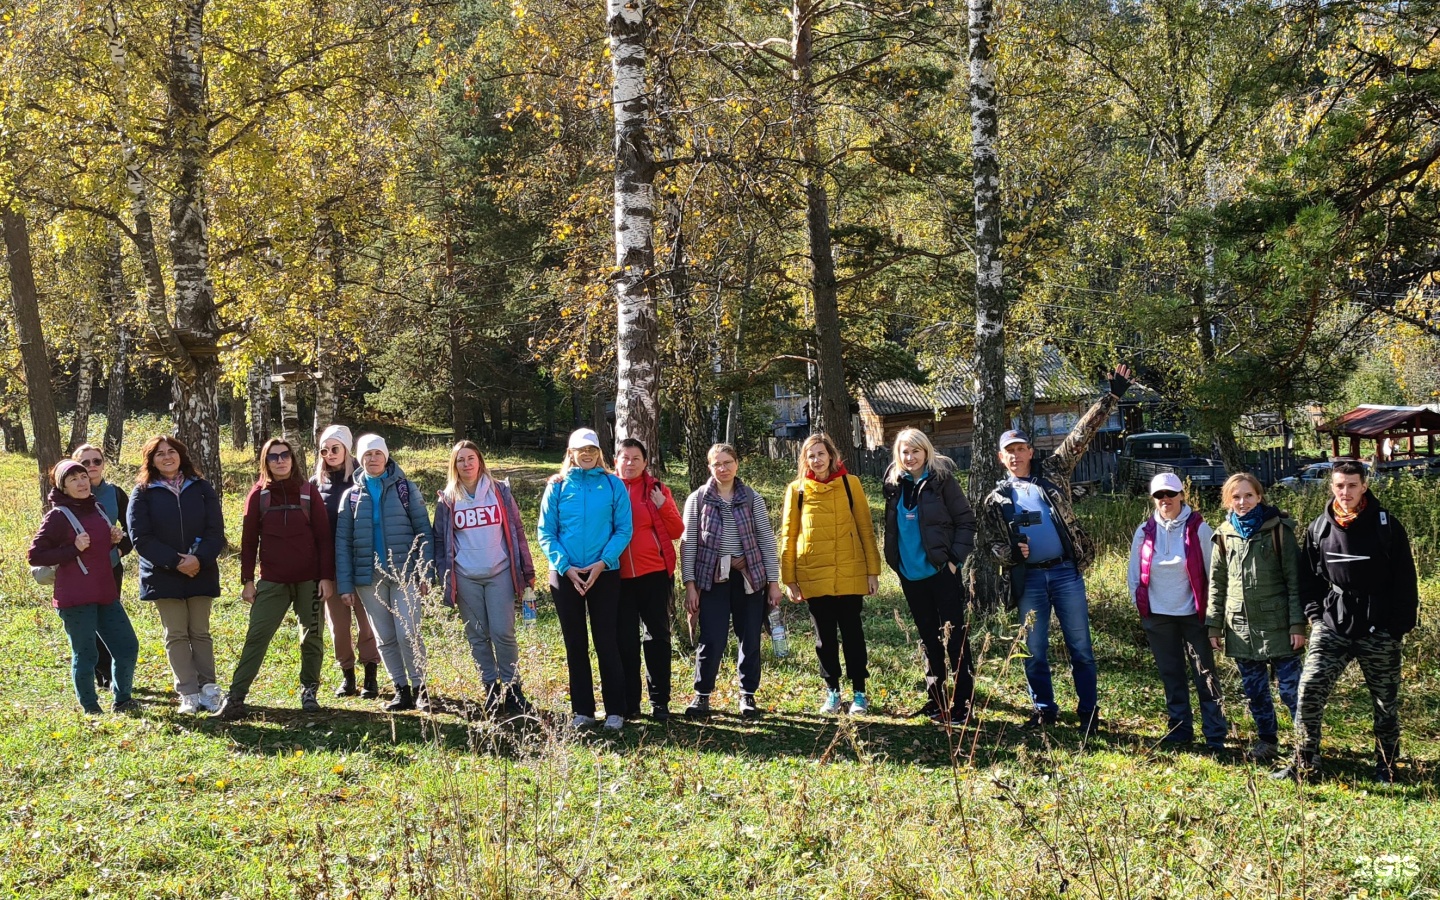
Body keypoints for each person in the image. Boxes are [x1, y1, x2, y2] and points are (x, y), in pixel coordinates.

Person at [982, 365, 1133, 733]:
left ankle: (1089, 714)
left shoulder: (1053, 474)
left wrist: (1111, 397)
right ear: (1002, 458)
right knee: (1033, 650)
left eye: (1020, 449)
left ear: (1031, 451)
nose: (1016, 456)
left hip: (1065, 573)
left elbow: (1081, 434)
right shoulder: (996, 498)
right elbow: (990, 546)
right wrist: (1011, 554)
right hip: (1029, 580)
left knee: (1080, 647)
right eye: (1009, 452)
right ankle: (1044, 710)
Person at [1274, 459, 1419, 783]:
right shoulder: (1319, 528)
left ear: (1364, 486)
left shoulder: (1386, 526)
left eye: (1352, 485)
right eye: (1339, 485)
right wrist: (1315, 616)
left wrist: (1396, 628)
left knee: (1385, 702)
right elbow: (1308, 579)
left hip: (1379, 627)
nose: (1345, 492)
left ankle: (1386, 766)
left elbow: (1405, 582)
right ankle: (1305, 763)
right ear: (1331, 487)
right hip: (1332, 625)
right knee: (1309, 689)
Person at [216, 438, 335, 720]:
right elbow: (248, 542)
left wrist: (326, 577)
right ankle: (236, 697)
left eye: (285, 455)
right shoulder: (258, 495)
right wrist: (247, 580)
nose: (280, 461)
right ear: (265, 462)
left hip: (309, 581)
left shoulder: (308, 493)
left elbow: (324, 539)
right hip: (272, 581)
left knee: (312, 637)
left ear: (293, 459)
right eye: (273, 457)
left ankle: (309, 691)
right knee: (257, 636)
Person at [537, 428, 633, 731]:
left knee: (607, 641)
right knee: (575, 643)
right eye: (581, 450)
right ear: (571, 453)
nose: (587, 454)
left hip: (603, 574)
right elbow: (545, 531)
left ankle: (616, 710)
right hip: (565, 575)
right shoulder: (558, 486)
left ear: (599, 453)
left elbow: (623, 529)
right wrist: (565, 566)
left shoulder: (612, 484)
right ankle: (583, 711)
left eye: (591, 449)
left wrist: (600, 564)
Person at [880, 428, 978, 724]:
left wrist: (953, 561)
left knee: (954, 638)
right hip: (910, 575)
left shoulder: (941, 480)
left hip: (941, 572)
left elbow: (966, 521)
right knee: (927, 638)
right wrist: (895, 563)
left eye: (915, 451)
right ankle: (936, 700)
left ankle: (962, 703)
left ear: (926, 452)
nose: (910, 457)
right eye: (904, 452)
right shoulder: (894, 484)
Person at [433, 440, 536, 716]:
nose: (466, 464)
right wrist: (445, 579)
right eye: (460, 460)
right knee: (477, 636)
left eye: (471, 458)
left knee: (503, 633)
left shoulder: (499, 491)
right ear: (453, 465)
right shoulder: (447, 498)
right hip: (466, 577)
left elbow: (517, 530)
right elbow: (441, 543)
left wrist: (527, 571)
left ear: (480, 460)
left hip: (499, 572)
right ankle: (490, 689)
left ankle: (514, 690)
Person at [780, 432, 881, 715]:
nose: (817, 460)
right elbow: (789, 535)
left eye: (821, 454)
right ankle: (833, 692)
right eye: (811, 455)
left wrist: (872, 571)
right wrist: (789, 578)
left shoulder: (851, 484)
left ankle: (859, 693)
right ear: (805, 460)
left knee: (852, 635)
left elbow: (865, 529)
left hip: (850, 572)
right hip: (813, 573)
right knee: (823, 638)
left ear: (831, 455)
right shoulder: (797, 490)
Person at [680, 443, 783, 720]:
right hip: (711, 579)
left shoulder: (752, 498)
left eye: (728, 462)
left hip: (749, 578)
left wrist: (773, 582)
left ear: (737, 464)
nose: (723, 468)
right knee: (712, 638)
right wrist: (690, 584)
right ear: (709, 467)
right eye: (717, 464)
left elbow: (766, 541)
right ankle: (702, 696)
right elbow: (688, 544)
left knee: (749, 636)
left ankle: (747, 695)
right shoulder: (698, 499)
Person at [1207, 472, 1305, 764]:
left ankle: (1305, 746)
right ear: (1228, 500)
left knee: (1292, 691)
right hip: (1240, 627)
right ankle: (1267, 741)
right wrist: (1214, 624)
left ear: (1259, 497)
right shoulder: (1223, 535)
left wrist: (1297, 624)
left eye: (1248, 495)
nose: (1242, 502)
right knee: (1255, 692)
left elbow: (1294, 581)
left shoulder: (1278, 530)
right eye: (1236, 496)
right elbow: (1217, 583)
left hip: (1279, 626)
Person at [28, 459, 139, 714]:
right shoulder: (57, 516)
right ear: (63, 486)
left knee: (127, 646)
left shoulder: (98, 508)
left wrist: (113, 540)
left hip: (105, 592)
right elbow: (35, 555)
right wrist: (72, 548)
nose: (81, 482)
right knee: (86, 654)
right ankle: (90, 707)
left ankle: (122, 700)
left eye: (83, 477)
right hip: (75, 599)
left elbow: (99, 548)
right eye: (73, 479)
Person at [1126, 473, 1228, 750]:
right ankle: (1180, 728)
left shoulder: (1199, 529)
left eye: (1170, 494)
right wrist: (1142, 608)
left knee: (1204, 673)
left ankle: (1215, 732)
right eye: (1159, 495)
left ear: (1182, 495)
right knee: (1171, 674)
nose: (1165, 500)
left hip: (1194, 615)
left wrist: (1214, 616)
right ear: (1153, 499)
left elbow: (1213, 573)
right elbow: (1134, 574)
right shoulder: (1144, 531)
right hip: (1158, 615)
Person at [334, 434, 435, 712]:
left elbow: (424, 531)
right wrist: (345, 585)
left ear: (387, 456)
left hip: (405, 574)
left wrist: (425, 572)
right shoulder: (351, 496)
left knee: (408, 633)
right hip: (369, 579)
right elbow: (342, 543)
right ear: (360, 459)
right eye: (367, 455)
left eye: (378, 453)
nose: (373, 459)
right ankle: (401, 690)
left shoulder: (406, 489)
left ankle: (421, 688)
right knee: (385, 638)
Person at [128, 435, 227, 714]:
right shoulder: (143, 492)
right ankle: (188, 693)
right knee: (176, 634)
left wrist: (198, 559)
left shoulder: (202, 487)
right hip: (163, 573)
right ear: (151, 460)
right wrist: (175, 561)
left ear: (181, 455)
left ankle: (209, 689)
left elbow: (215, 531)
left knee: (200, 632)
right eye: (159, 453)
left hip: (201, 571)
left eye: (171, 451)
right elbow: (140, 537)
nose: (167, 457)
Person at [615, 438, 685, 723]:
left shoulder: (657, 489)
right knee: (625, 641)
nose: (630, 463)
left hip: (654, 575)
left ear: (645, 462)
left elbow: (677, 529)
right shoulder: (608, 488)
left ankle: (660, 702)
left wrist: (662, 505)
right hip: (617, 578)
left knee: (657, 637)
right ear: (616, 460)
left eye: (636, 458)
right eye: (625, 458)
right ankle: (631, 704)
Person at [313, 424, 381, 699]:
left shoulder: (363, 480)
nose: (329, 454)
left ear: (347, 449)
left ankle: (371, 675)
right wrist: (321, 573)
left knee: (367, 622)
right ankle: (347, 675)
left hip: (362, 563)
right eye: (324, 449)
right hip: (331, 567)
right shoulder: (315, 484)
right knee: (338, 626)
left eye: (335, 448)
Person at [71, 444, 133, 692]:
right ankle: (98, 671)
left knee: (108, 619)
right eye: (85, 463)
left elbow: (132, 530)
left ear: (104, 464)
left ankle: (110, 672)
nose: (92, 467)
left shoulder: (116, 494)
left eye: (96, 461)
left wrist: (118, 552)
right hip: (79, 569)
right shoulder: (68, 495)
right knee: (88, 620)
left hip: (110, 568)